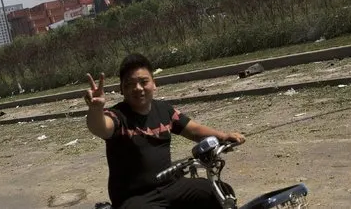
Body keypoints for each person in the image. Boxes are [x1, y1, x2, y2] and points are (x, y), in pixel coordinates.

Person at [84, 53, 245, 209]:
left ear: (154, 84)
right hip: (136, 196)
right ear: (121, 89)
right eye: (130, 84)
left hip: (170, 185)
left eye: (143, 81)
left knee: (220, 192)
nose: (138, 88)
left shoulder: (164, 110)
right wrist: (95, 109)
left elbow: (194, 130)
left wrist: (223, 136)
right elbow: (100, 127)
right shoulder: (118, 116)